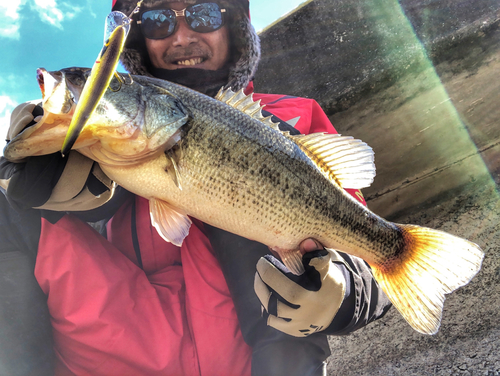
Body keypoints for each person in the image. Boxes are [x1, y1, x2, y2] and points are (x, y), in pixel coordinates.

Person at [0, 0, 392, 375]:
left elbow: (365, 251)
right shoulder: (101, 140)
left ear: (233, 25)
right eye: (158, 20)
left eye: (203, 14)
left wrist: (344, 291)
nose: (182, 36)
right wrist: (29, 178)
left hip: (256, 361)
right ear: (138, 38)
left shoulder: (291, 118)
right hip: (111, 356)